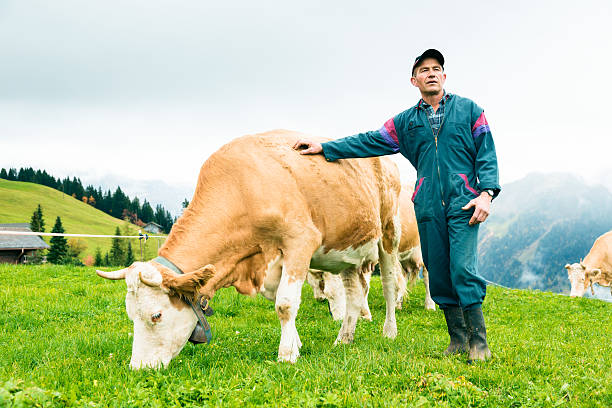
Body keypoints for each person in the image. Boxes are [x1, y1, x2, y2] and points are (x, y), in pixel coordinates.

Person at [293, 49, 500, 362]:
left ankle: (479, 343)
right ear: (413, 80)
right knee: (440, 272)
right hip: (428, 206)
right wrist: (326, 147)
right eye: (424, 70)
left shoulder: (470, 110)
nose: (431, 73)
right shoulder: (406, 122)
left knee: (462, 269)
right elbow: (370, 140)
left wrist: (486, 193)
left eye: (436, 69)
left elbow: (487, 151)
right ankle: (457, 339)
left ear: (444, 76)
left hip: (465, 203)